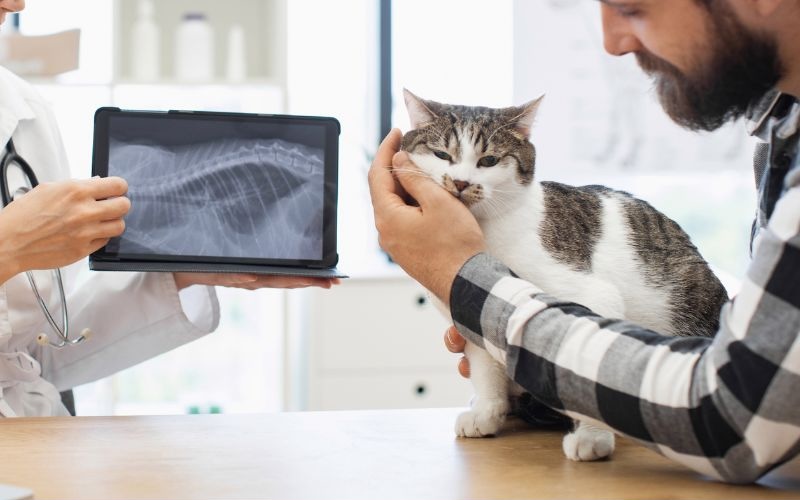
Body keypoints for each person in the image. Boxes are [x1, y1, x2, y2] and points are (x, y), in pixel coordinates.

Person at [368, 0, 800, 484]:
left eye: (632, 9)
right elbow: (772, 361)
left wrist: (462, 278)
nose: (612, 43)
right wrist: (546, 374)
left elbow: (733, 416)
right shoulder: (781, 130)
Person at [0, 0, 337, 417]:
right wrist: (6, 247)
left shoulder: (26, 112)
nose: (17, 3)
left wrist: (183, 274)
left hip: (30, 445)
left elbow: (38, 354)